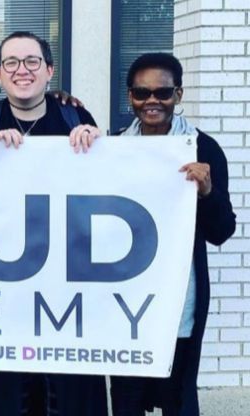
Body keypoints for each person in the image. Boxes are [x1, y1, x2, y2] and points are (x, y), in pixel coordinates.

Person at [0, 31, 105, 416]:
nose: (22, 70)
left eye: (32, 61)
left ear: (49, 71)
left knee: (70, 394)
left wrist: (98, 143)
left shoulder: (74, 117)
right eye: (11, 63)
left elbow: (107, 184)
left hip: (66, 293)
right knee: (10, 396)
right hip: (2, 294)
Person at [109, 53, 236, 416]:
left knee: (178, 398)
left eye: (163, 93)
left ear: (178, 95)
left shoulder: (203, 149)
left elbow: (222, 231)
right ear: (130, 95)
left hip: (179, 299)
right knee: (126, 397)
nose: (152, 101)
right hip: (125, 298)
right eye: (141, 92)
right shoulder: (114, 148)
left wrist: (208, 192)